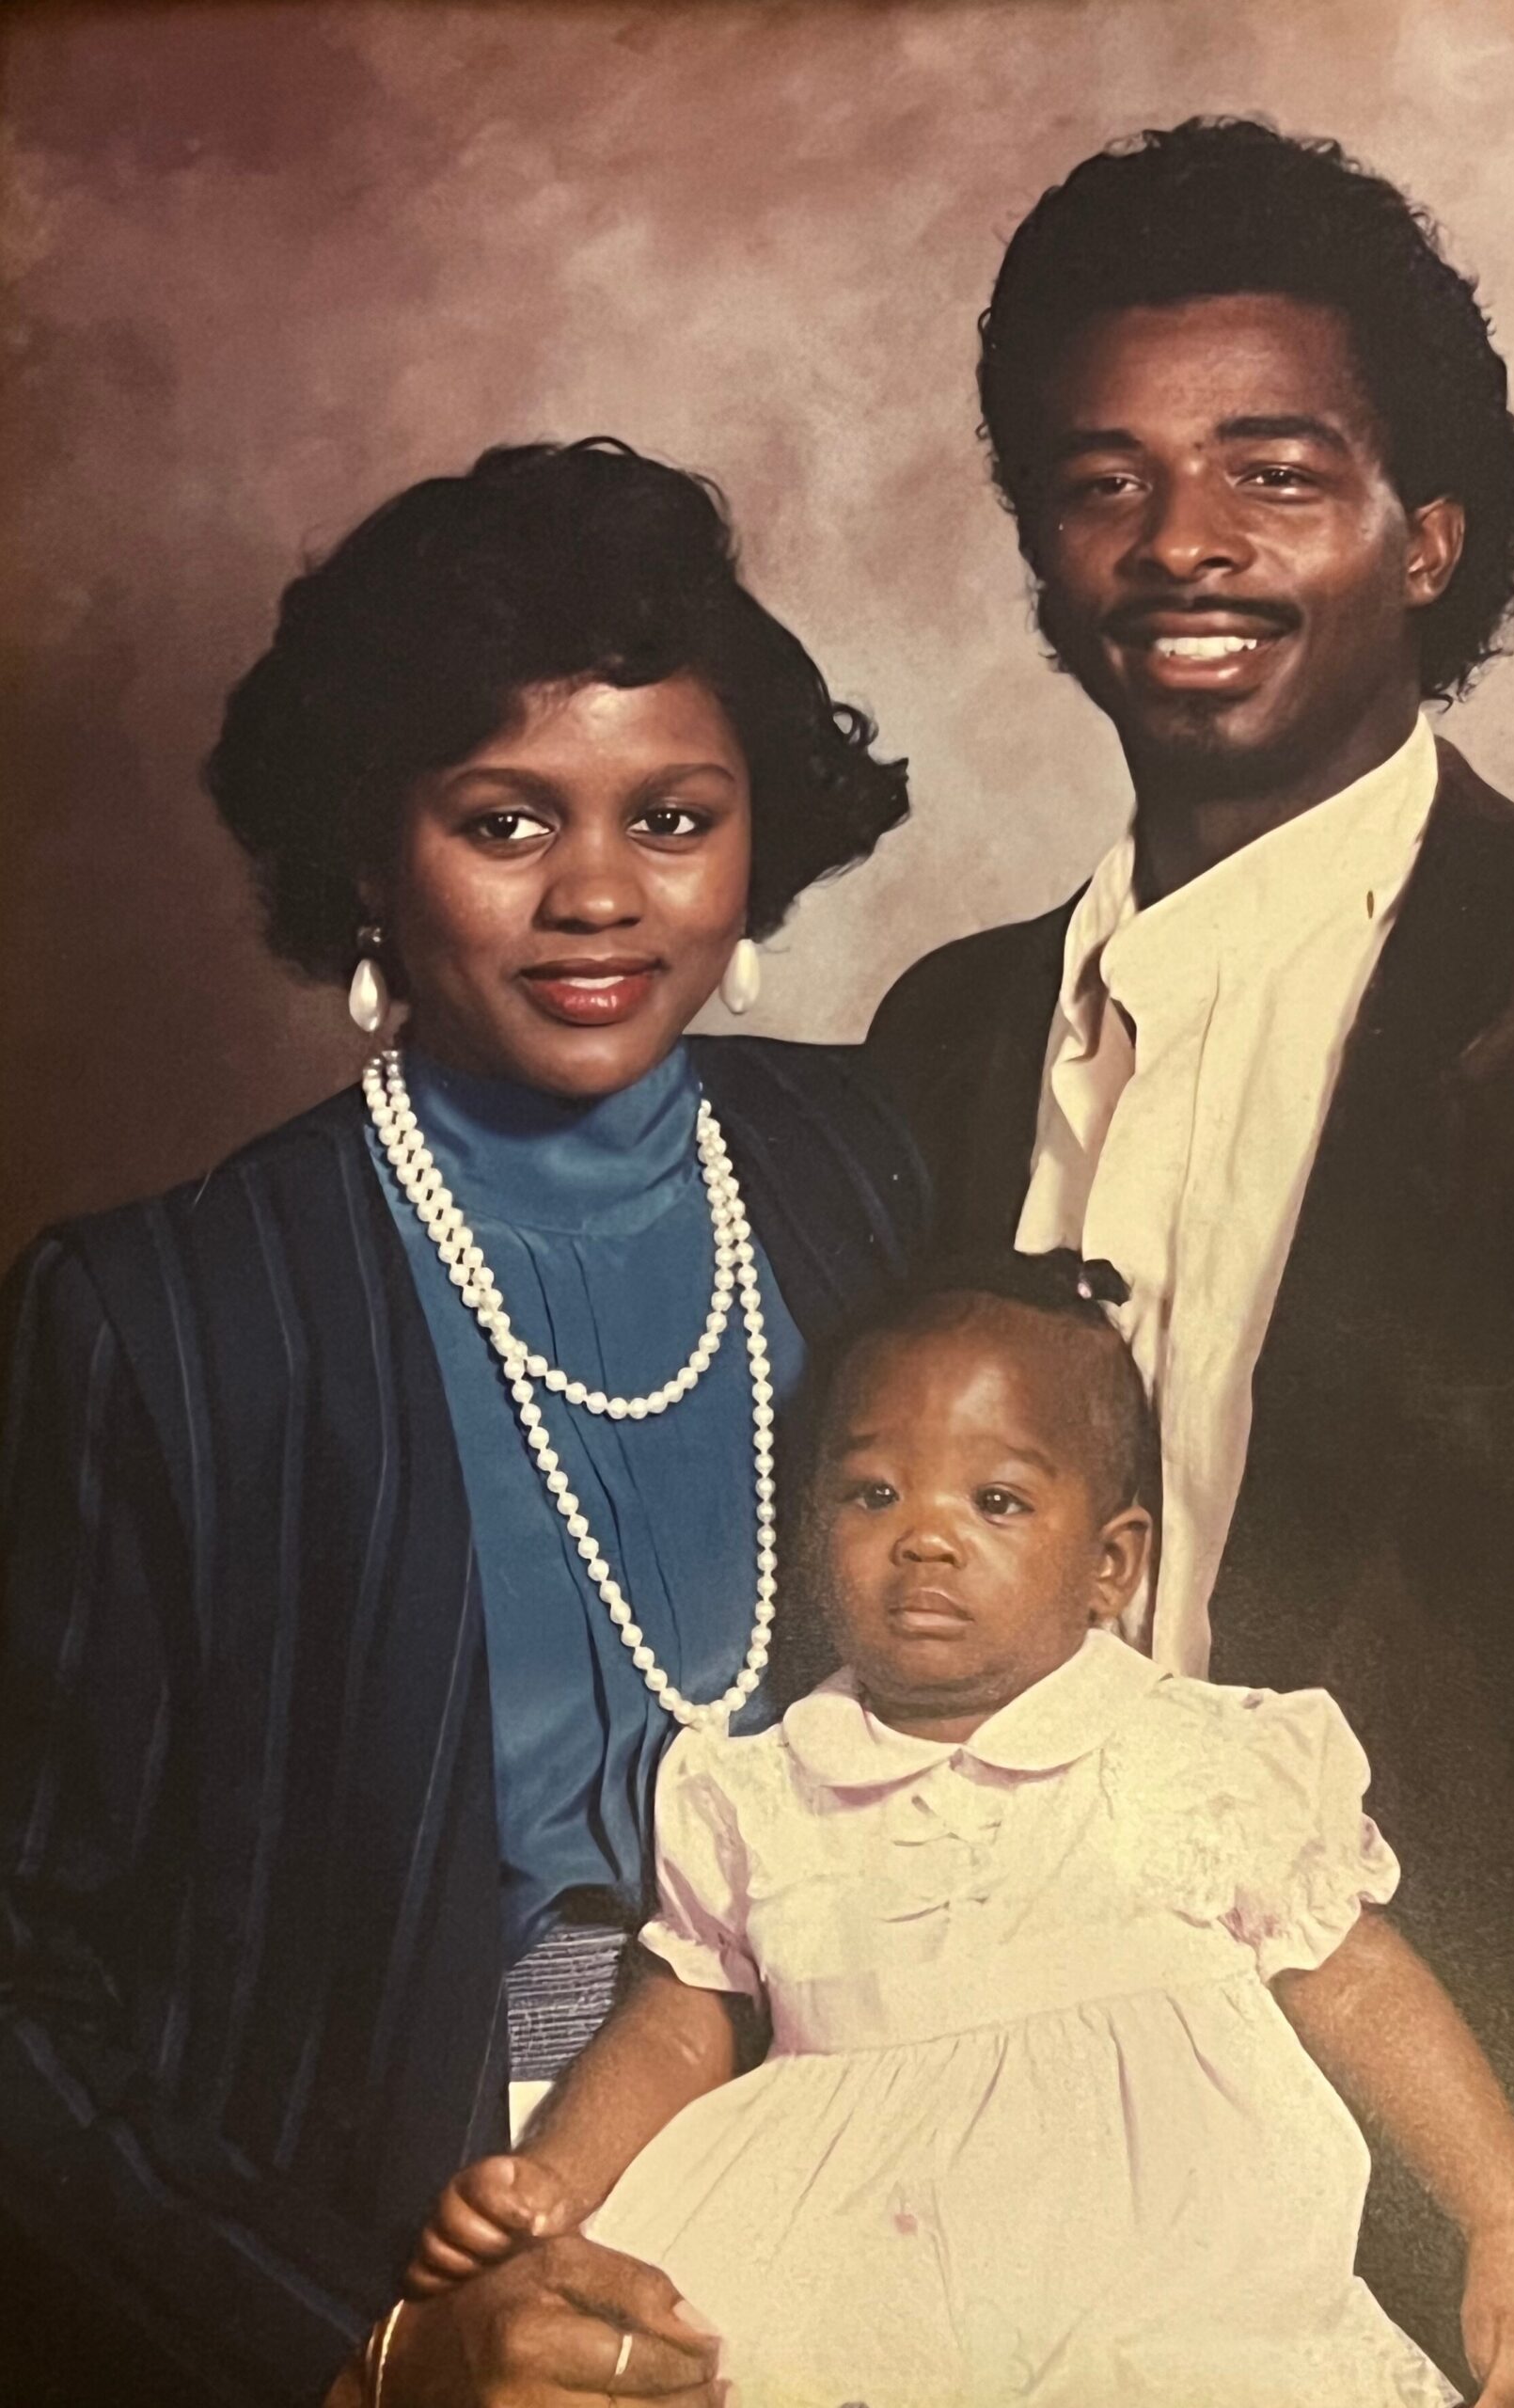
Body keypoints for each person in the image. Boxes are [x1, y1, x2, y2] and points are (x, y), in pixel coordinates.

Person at [865, 119, 1514, 2401]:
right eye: (1105, 480)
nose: (1183, 538)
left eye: (1274, 471)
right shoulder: (940, 1037)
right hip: (971, 2214)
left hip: (1496, 2258)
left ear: (1428, 532)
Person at [0, 437, 925, 2408]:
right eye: (505, 821)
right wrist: (375, 2342)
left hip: (903, 2182)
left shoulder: (869, 1165)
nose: (597, 893)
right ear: (367, 853)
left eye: (672, 817)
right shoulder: (174, 1317)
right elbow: (21, 1987)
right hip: (409, 2244)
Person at [402, 1253, 1514, 2408]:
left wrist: (1513, 2217)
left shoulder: (1189, 1757)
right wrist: (554, 2180)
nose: (925, 1536)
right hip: (851, 2290)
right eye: (874, 1493)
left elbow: (1360, 1984)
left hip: (1166, 2301)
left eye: (997, 1500)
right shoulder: (765, 1791)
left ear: (1111, 1564)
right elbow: (679, 2023)